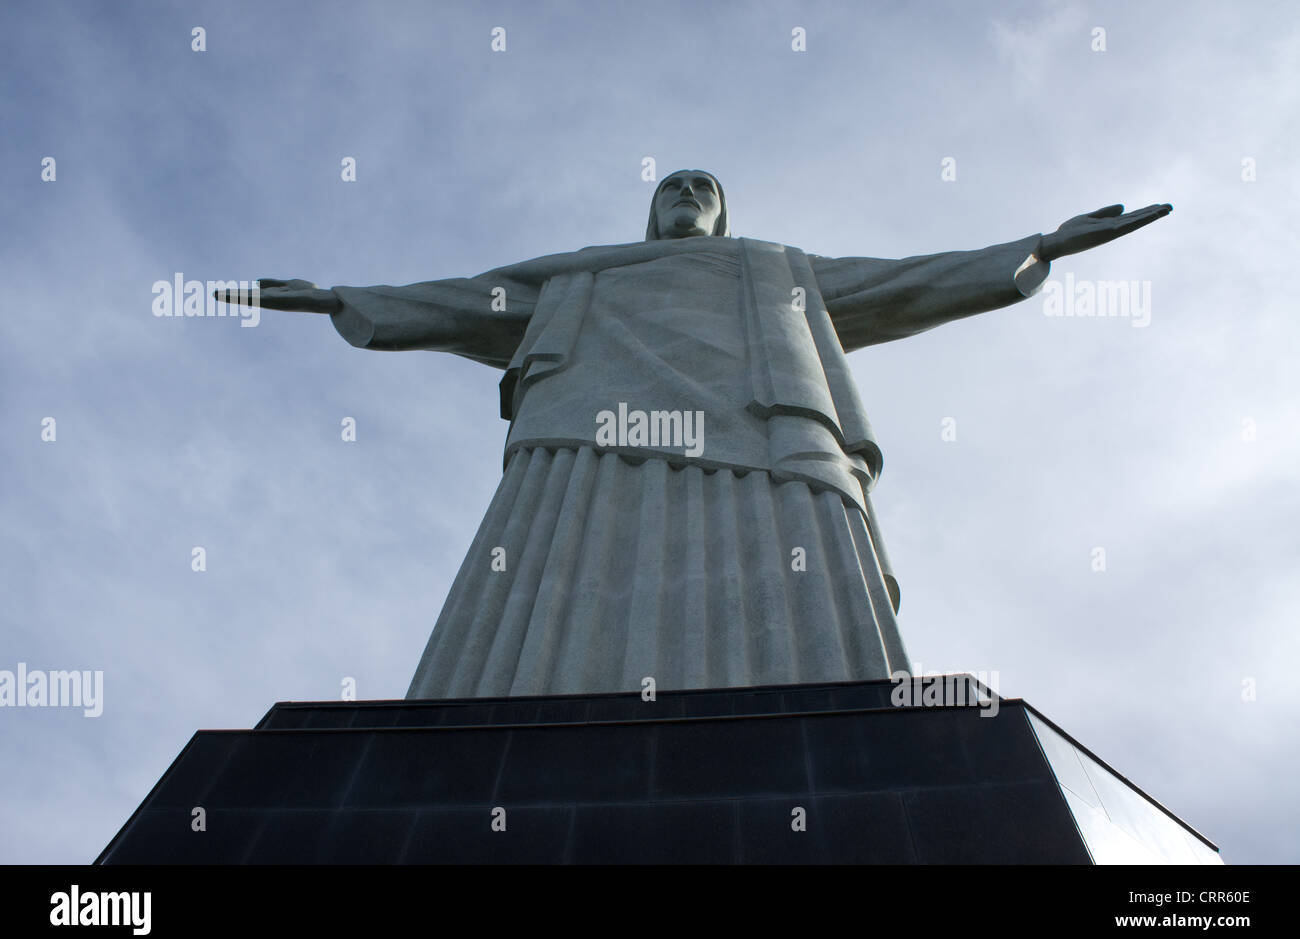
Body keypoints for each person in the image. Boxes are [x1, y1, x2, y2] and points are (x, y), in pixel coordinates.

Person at [220, 169, 1170, 698]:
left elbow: (904, 282)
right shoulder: (586, 269)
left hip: (767, 431)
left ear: (722, 212)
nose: (685, 194)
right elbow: (469, 297)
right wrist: (343, 297)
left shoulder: (773, 266)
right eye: (672, 186)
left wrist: (1033, 247)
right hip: (582, 433)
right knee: (560, 567)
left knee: (794, 582)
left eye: (701, 187)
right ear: (651, 209)